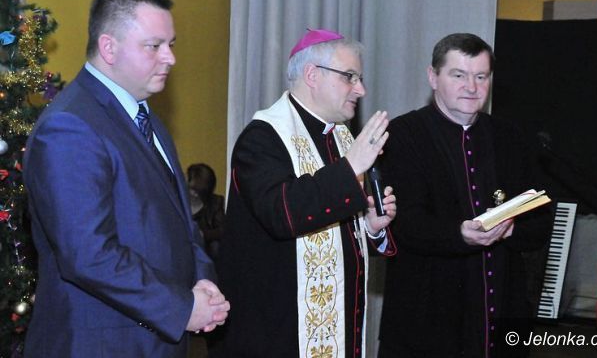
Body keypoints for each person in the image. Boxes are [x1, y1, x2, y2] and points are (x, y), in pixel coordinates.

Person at [23, 0, 229, 357]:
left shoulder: (145, 116)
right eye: (154, 46)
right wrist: (182, 308)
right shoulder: (70, 126)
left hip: (153, 339)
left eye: (171, 44)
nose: (170, 58)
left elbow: (181, 223)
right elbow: (88, 253)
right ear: (109, 48)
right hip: (102, 344)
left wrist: (203, 280)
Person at [214, 29, 397, 358]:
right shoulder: (262, 138)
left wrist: (370, 227)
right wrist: (351, 167)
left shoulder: (340, 137)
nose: (361, 89)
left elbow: (338, 234)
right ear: (312, 75)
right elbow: (283, 213)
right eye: (350, 77)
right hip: (276, 332)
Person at [378, 33, 552, 357]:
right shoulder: (403, 135)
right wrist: (459, 234)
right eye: (458, 75)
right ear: (433, 77)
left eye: (481, 77)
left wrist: (510, 228)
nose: (471, 87)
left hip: (502, 313)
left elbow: (540, 223)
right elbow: (402, 224)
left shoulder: (509, 137)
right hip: (427, 317)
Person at [187, 163, 226, 260]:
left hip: (205, 248)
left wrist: (203, 234)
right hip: (184, 244)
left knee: (216, 246)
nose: (194, 193)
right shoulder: (179, 200)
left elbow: (222, 230)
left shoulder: (215, 203)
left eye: (197, 190)